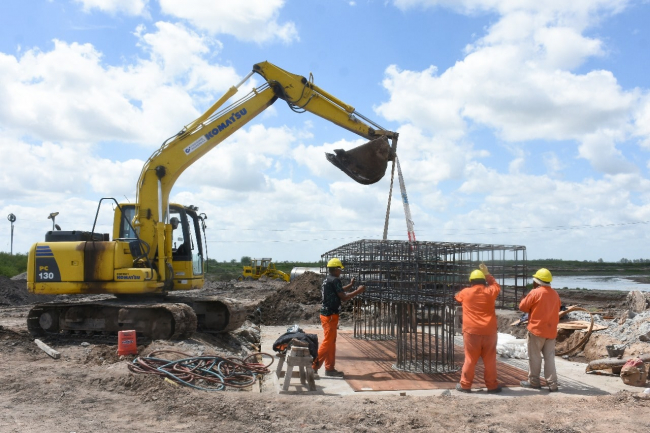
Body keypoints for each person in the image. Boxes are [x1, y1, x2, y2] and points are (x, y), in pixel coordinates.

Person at [312, 258, 366, 377]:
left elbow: (338, 291)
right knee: (328, 342)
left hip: (328, 315)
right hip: (330, 315)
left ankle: (329, 368)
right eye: (340, 269)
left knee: (331, 342)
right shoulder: (335, 280)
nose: (340, 271)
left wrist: (351, 285)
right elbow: (343, 297)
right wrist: (358, 291)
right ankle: (313, 367)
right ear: (335, 269)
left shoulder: (327, 280)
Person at [454, 263, 502, 393]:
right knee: (490, 360)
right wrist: (488, 274)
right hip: (489, 332)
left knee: (470, 359)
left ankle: (465, 385)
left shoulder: (465, 292)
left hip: (472, 332)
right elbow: (496, 286)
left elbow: (457, 297)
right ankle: (492, 386)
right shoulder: (491, 291)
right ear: (484, 281)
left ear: (471, 281)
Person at [519, 268, 561, 392]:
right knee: (549, 358)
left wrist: (524, 299)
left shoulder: (535, 292)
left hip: (536, 331)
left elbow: (523, 307)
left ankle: (534, 382)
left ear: (537, 281)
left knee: (535, 357)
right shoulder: (555, 294)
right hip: (551, 331)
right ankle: (552, 384)